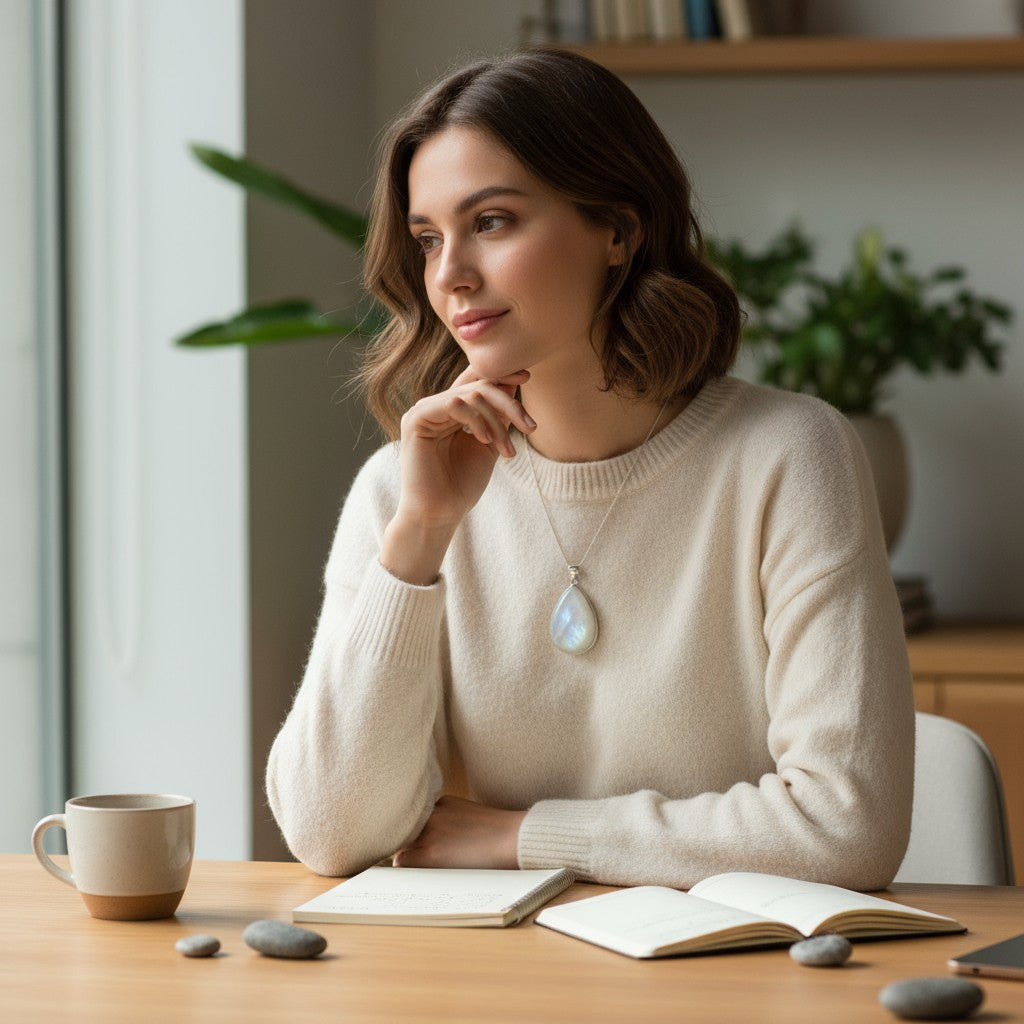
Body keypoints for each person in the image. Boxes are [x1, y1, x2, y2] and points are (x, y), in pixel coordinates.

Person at [266, 49, 914, 890]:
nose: (449, 274)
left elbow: (847, 827)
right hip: (507, 962)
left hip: (735, 959)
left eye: (491, 221)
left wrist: (527, 837)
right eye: (428, 239)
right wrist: (421, 536)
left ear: (618, 229)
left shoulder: (789, 455)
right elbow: (329, 832)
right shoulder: (402, 492)